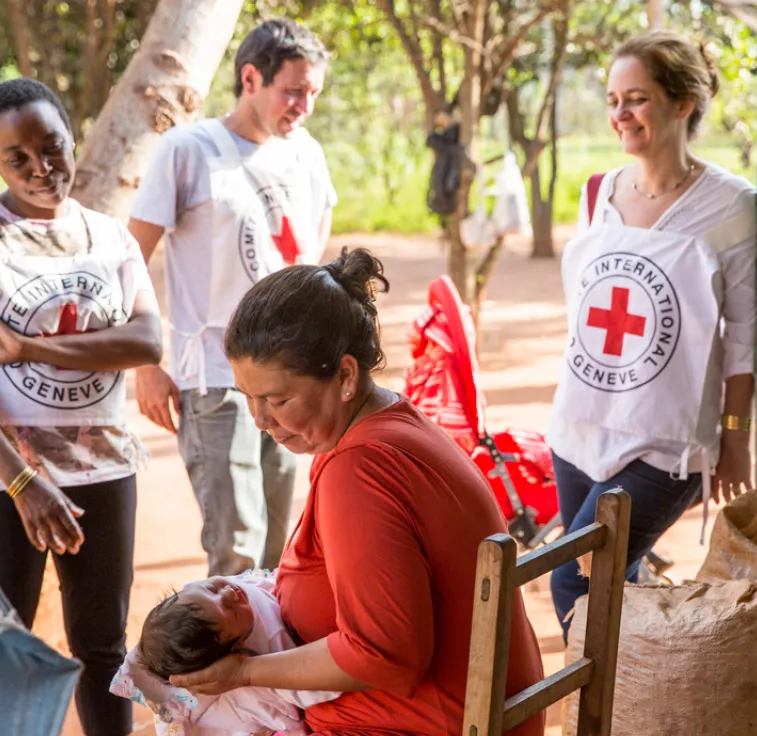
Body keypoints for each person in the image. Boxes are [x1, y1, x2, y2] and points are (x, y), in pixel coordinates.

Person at [166, 249, 545, 736]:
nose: (260, 421)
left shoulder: (360, 468)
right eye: (249, 399)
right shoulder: (383, 427)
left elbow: (384, 657)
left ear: (345, 376)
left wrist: (241, 673)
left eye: (277, 400)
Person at [0, 77, 162, 735]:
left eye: (51, 147)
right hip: (0, 477)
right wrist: (24, 482)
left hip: (103, 467)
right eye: (18, 158)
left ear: (72, 136)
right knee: (0, 648)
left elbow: (148, 338)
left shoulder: (109, 238)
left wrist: (30, 345)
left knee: (103, 648)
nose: (41, 168)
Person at [547, 31, 757, 635]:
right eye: (613, 100)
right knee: (621, 578)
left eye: (636, 98)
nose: (620, 115)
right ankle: (633, 707)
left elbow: (742, 335)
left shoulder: (730, 207)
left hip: (663, 446)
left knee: (575, 575)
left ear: (682, 103)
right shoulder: (598, 194)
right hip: (581, 428)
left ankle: (593, 716)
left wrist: (734, 436)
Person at [128, 18, 338, 578]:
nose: (304, 106)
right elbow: (131, 256)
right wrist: (146, 363)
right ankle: (227, 667)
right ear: (251, 78)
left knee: (280, 553)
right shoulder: (189, 150)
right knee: (237, 546)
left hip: (292, 381)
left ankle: (270, 665)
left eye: (313, 93)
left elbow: (310, 267)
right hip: (216, 380)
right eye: (293, 91)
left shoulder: (307, 156)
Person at [110, 571, 340, 736]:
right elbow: (317, 686)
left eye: (211, 589)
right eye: (230, 610)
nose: (228, 592)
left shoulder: (212, 600)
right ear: (236, 648)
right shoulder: (270, 648)